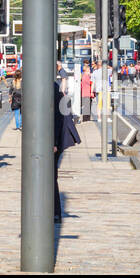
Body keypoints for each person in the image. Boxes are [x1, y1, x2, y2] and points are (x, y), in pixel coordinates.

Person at [53, 78, 81, 222]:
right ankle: (54, 211)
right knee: (50, 177)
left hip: (54, 141)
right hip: (54, 139)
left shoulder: (49, 90)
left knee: (50, 177)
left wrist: (54, 142)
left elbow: (56, 119)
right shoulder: (51, 87)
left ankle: (55, 212)